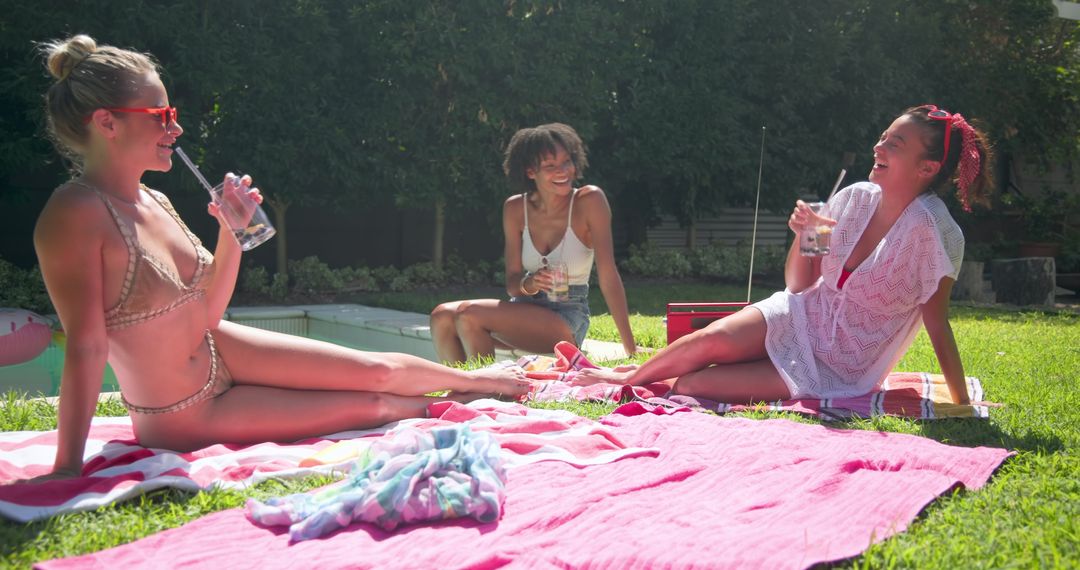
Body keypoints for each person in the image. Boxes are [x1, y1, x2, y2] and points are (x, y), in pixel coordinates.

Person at [26, 35, 528, 482]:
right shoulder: (75, 213)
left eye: (172, 114)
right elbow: (87, 347)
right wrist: (68, 465)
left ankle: (475, 381)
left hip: (220, 347)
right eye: (161, 116)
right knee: (376, 405)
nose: (175, 129)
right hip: (184, 411)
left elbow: (207, 314)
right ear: (107, 123)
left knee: (376, 371)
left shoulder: (153, 200)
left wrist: (230, 231)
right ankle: (456, 402)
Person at [574, 105, 993, 406]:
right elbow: (800, 283)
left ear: (927, 167)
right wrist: (806, 234)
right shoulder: (853, 199)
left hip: (839, 364)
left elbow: (937, 322)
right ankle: (623, 379)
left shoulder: (933, 233)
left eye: (895, 143)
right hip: (798, 313)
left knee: (690, 385)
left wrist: (960, 402)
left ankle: (642, 378)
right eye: (883, 136)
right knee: (708, 340)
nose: (879, 146)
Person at [430, 123, 636, 363]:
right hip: (523, 308)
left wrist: (629, 347)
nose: (563, 171)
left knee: (469, 314)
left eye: (566, 162)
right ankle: (462, 388)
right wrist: (531, 282)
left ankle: (486, 390)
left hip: (566, 314)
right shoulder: (515, 208)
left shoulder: (589, 200)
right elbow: (512, 284)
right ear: (530, 171)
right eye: (550, 166)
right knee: (441, 316)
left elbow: (608, 275)